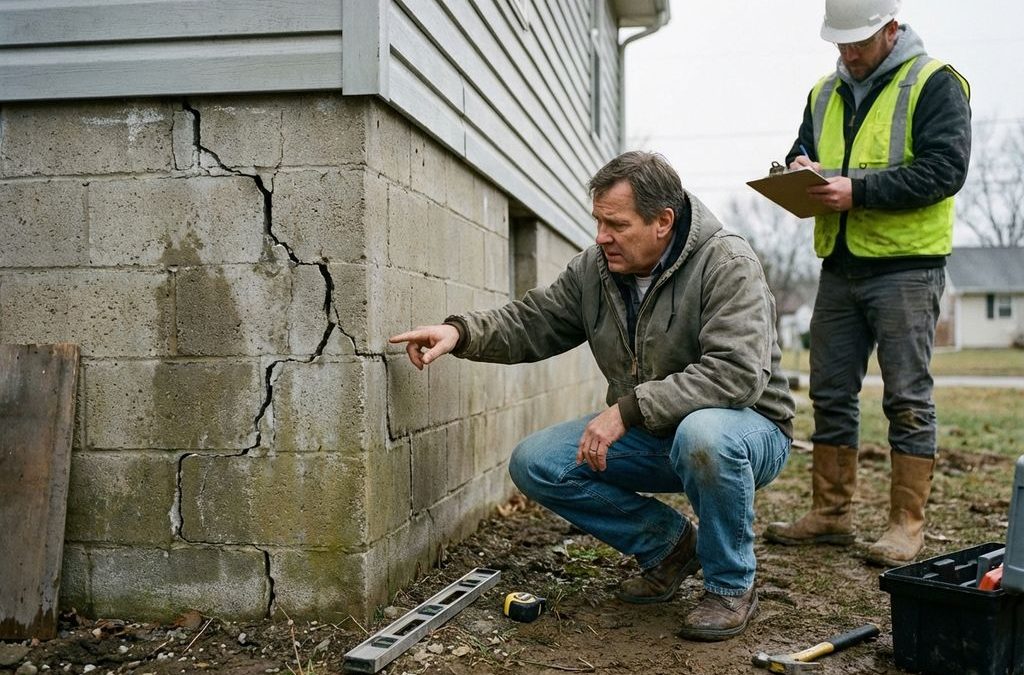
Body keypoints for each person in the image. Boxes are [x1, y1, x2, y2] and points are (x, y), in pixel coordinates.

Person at [390, 151, 794, 641]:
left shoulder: (726, 263)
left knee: (703, 434)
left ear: (663, 221)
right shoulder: (596, 270)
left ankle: (730, 586)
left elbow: (736, 374)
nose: (602, 236)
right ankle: (670, 548)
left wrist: (628, 410)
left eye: (616, 224)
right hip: (659, 431)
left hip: (746, 431)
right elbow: (534, 321)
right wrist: (461, 333)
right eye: (599, 221)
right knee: (538, 462)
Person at [764, 0, 971, 567]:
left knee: (907, 397)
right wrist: (799, 168)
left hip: (907, 268)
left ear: (892, 29)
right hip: (839, 266)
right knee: (830, 392)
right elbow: (802, 151)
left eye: (858, 42)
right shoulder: (822, 93)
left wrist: (858, 190)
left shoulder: (934, 83)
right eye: (840, 43)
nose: (848, 54)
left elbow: (945, 169)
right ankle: (830, 513)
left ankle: (907, 524)